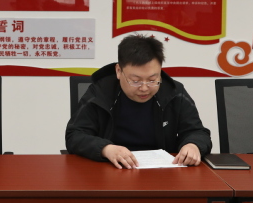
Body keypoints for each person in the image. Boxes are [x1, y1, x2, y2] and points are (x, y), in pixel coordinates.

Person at [65, 34, 212, 168]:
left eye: (152, 80)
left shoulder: (174, 92)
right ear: (118, 71)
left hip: (162, 172)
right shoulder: (100, 92)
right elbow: (75, 135)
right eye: (135, 81)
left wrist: (193, 145)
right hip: (112, 169)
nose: (144, 88)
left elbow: (198, 132)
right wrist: (106, 149)